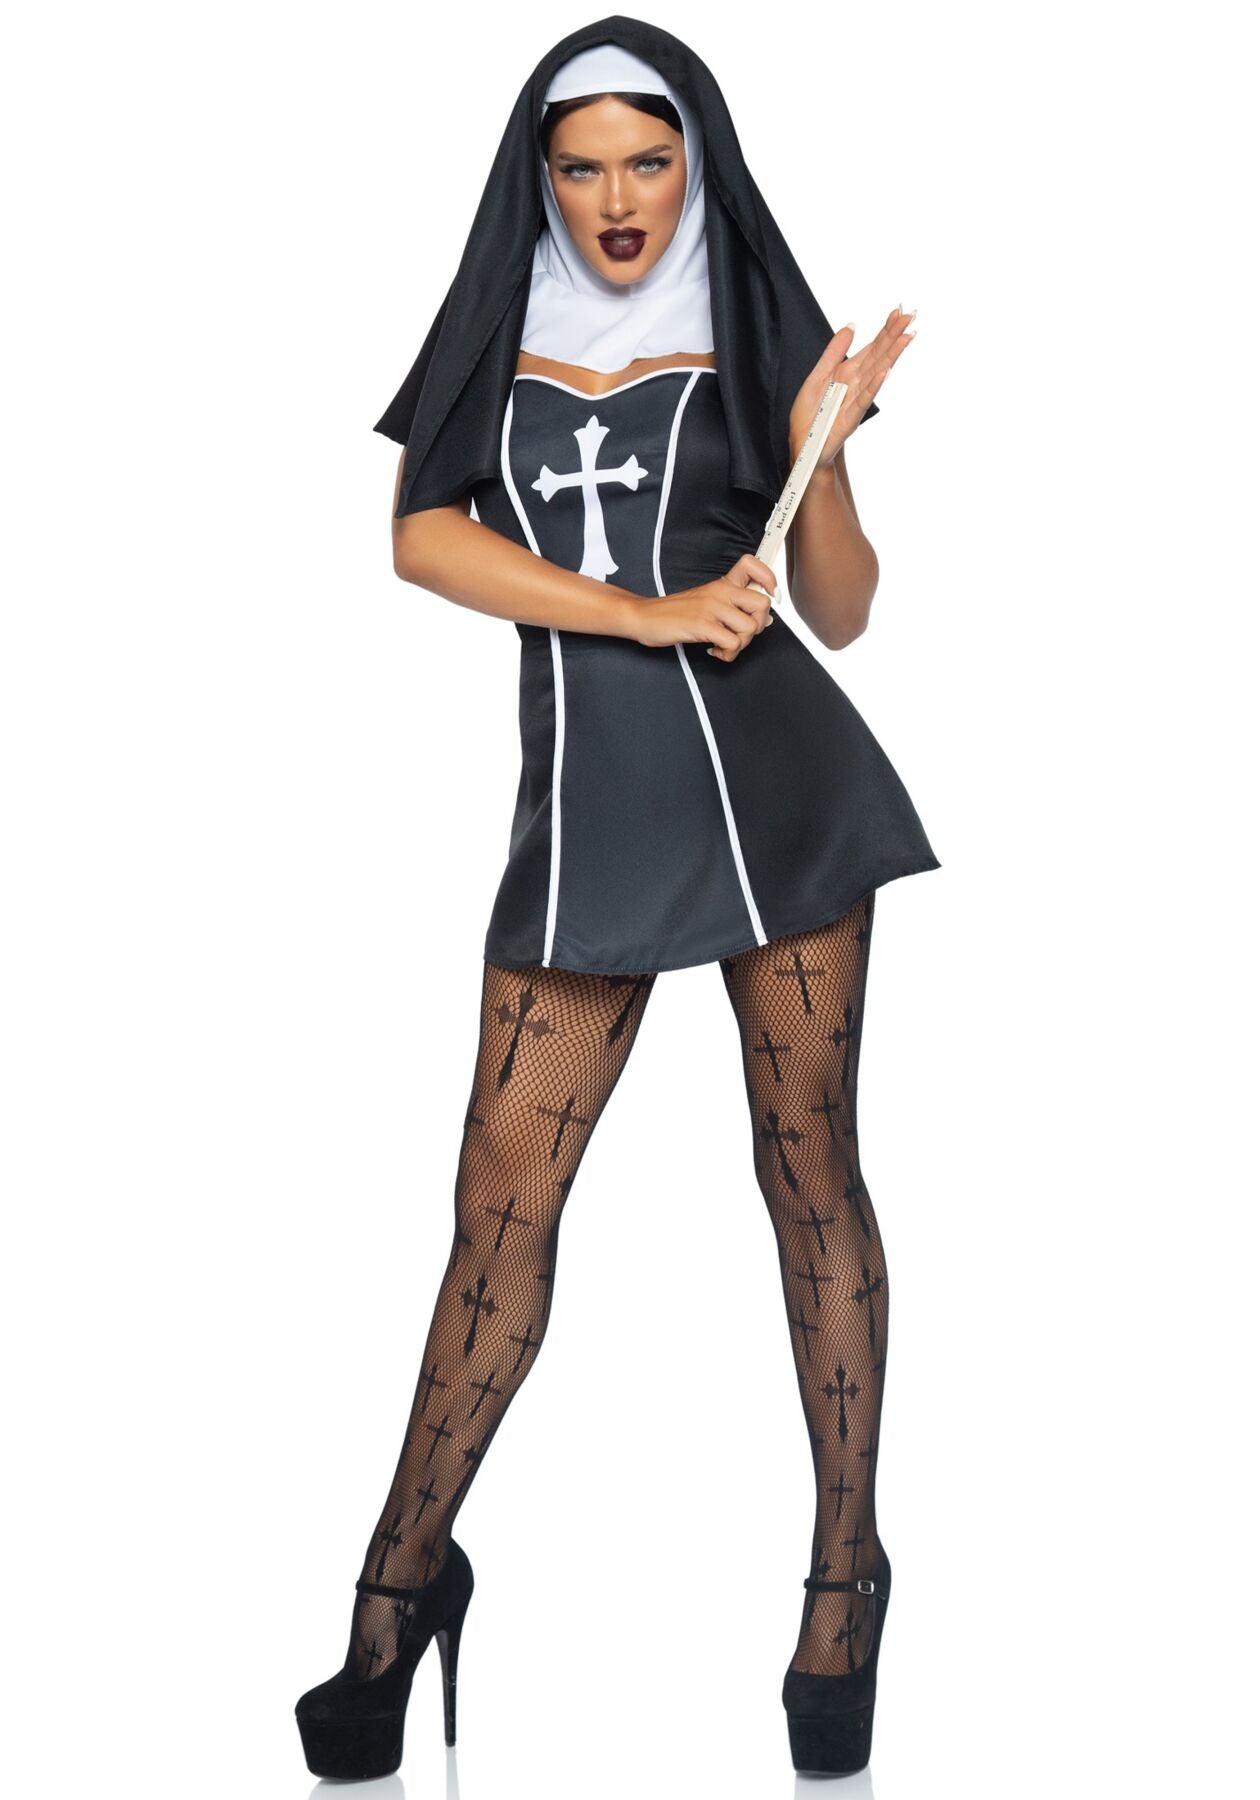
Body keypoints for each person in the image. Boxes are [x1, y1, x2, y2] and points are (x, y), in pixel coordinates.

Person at [296, 14, 940, 1782]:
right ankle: (401, 1583)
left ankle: (846, 1577)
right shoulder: (500, 321)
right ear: (541, 179)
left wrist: (821, 450)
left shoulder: (757, 321)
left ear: (696, 163)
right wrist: (646, 613)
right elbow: (421, 538)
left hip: (777, 798)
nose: (616, 198)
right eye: (580, 167)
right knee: (498, 1205)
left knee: (808, 1174)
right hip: (592, 813)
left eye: (648, 161)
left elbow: (843, 608)